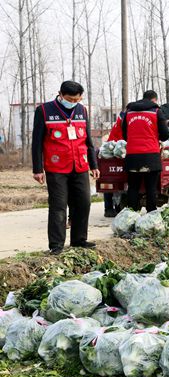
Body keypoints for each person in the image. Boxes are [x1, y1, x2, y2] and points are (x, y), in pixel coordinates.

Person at [31, 80, 100, 255]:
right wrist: (37, 169)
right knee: (58, 206)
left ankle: (79, 240)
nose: (74, 102)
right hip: (57, 167)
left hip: (80, 165)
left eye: (77, 99)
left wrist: (94, 164)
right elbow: (37, 142)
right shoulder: (44, 111)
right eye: (70, 99)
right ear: (60, 95)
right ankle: (56, 245)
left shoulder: (82, 110)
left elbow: (88, 141)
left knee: (83, 203)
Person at [122, 90, 169, 212]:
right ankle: (150, 216)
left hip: (132, 155)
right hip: (151, 156)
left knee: (133, 187)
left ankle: (131, 215)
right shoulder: (156, 112)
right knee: (151, 188)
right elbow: (165, 135)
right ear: (154, 100)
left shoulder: (128, 112)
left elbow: (124, 135)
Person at [103, 110, 126, 217]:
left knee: (109, 179)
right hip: (118, 151)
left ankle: (111, 208)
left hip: (114, 152)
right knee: (110, 181)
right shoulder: (124, 122)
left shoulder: (120, 120)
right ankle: (111, 208)